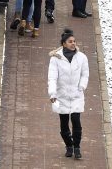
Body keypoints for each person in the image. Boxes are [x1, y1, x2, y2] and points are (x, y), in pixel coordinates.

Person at [48, 29, 90, 160]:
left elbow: (85, 74)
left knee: (76, 121)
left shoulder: (82, 57)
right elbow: (52, 77)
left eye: (74, 41)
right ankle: (69, 146)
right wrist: (52, 93)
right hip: (62, 96)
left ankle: (77, 147)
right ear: (64, 44)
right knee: (64, 123)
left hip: (77, 95)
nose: (73, 43)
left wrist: (82, 86)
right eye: (70, 41)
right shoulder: (56, 59)